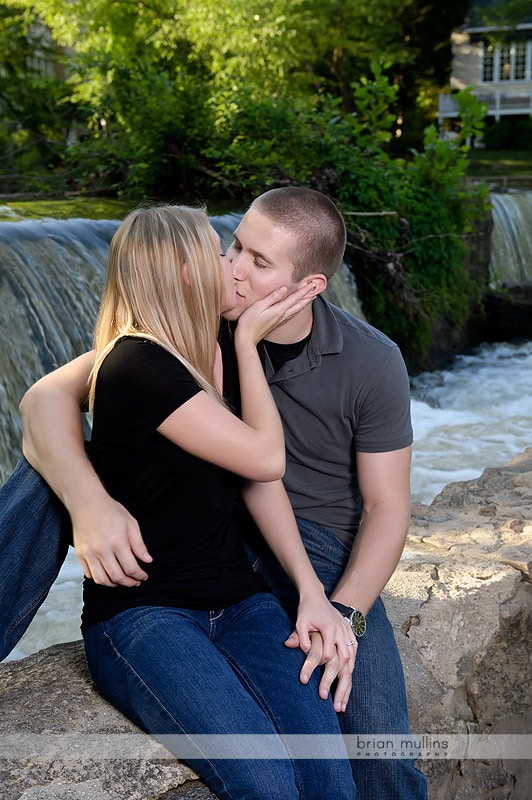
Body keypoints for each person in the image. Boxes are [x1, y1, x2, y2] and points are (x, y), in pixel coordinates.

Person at [19, 188, 429, 800]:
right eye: (233, 246)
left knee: (375, 752)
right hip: (202, 551)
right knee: (40, 480)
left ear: (307, 287)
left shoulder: (369, 360)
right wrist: (87, 501)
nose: (235, 267)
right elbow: (44, 397)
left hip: (308, 546)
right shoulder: (189, 335)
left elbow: (386, 506)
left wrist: (340, 608)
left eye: (258, 262)